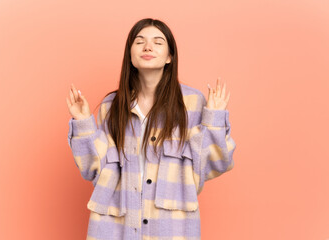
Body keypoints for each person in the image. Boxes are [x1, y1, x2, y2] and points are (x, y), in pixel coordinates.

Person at [66, 17, 236, 240]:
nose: (148, 47)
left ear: (169, 57)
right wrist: (83, 123)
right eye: (139, 41)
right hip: (115, 227)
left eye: (158, 42)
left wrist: (213, 120)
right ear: (130, 55)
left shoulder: (193, 103)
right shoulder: (112, 106)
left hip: (172, 229)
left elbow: (213, 164)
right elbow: (95, 170)